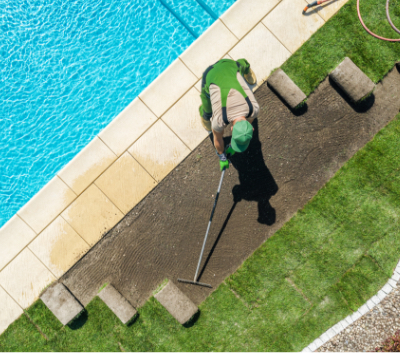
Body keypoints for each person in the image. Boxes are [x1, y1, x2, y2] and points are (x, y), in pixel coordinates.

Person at [199, 58, 260, 171]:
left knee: (239, 66)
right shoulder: (219, 120)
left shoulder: (254, 109)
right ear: (231, 129)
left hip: (230, 66)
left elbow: (219, 139)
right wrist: (221, 156)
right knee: (207, 110)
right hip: (211, 74)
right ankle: (204, 115)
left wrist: (227, 151)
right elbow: (217, 139)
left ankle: (245, 69)